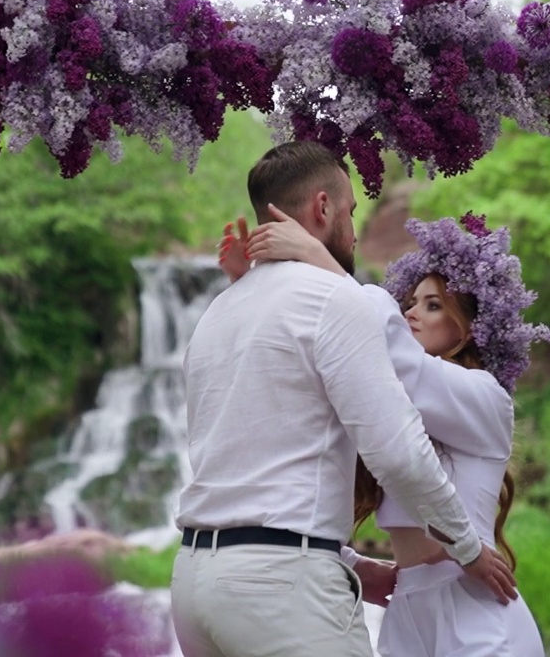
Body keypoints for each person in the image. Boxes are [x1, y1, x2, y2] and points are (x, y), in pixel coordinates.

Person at [171, 141, 517, 657]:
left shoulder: (220, 312)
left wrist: (352, 566)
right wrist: (467, 548)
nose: (354, 229)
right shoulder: (335, 299)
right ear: (323, 207)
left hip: (194, 585)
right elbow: (397, 451)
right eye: (352, 211)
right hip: (281, 592)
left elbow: (245, 475)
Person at [224, 206, 550, 656]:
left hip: (475, 606)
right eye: (410, 302)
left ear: (469, 330)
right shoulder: (382, 408)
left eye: (433, 305)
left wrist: (313, 253)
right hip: (405, 608)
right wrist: (249, 288)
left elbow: (397, 353)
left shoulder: (487, 400)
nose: (411, 314)